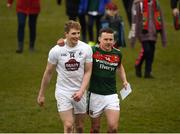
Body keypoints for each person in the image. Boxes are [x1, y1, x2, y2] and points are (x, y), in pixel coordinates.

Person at [57, 27, 129, 133]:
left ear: (114, 41)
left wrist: (124, 80)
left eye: (111, 39)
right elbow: (75, 44)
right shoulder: (91, 50)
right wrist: (62, 41)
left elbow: (119, 66)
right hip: (95, 95)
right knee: (95, 128)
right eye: (106, 39)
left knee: (113, 128)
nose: (108, 42)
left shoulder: (117, 53)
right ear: (99, 39)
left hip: (111, 95)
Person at [37, 20, 93, 133]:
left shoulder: (86, 48)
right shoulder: (56, 51)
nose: (77, 36)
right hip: (63, 92)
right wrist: (41, 94)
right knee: (68, 125)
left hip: (80, 91)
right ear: (66, 34)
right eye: (73, 33)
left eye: (78, 33)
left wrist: (81, 91)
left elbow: (88, 71)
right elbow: (48, 72)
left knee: (80, 127)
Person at [129, 0, 167, 78]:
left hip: (153, 33)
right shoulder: (139, 5)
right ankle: (138, 65)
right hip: (143, 33)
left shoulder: (156, 4)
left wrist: (164, 38)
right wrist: (133, 38)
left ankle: (147, 72)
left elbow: (161, 20)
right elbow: (135, 21)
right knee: (147, 50)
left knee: (151, 53)